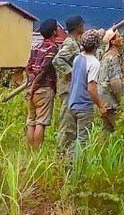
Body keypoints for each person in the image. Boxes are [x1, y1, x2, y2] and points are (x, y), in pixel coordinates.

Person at [61, 29, 109, 156]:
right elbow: (91, 89)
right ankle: (77, 168)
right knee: (82, 140)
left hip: (72, 103)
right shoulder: (94, 63)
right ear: (96, 45)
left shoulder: (78, 58)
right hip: (84, 107)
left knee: (71, 138)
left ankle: (66, 164)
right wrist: (101, 106)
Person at [24, 18, 62, 148]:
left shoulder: (36, 47)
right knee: (41, 121)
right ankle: (36, 151)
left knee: (31, 120)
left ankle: (30, 150)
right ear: (54, 32)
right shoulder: (52, 48)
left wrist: (29, 85)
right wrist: (34, 86)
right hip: (44, 88)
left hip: (31, 90)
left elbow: (28, 67)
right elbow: (43, 70)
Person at [53, 15, 84, 149]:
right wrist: (70, 72)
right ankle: (61, 154)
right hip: (67, 89)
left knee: (71, 122)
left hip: (71, 89)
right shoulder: (70, 43)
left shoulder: (75, 43)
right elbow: (57, 60)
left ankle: (67, 152)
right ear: (78, 28)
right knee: (67, 123)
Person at [97, 29, 124, 132]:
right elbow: (115, 82)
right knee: (121, 128)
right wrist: (121, 100)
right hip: (110, 100)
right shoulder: (113, 57)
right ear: (112, 42)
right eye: (118, 36)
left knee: (107, 129)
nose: (121, 38)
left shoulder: (106, 55)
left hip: (103, 98)